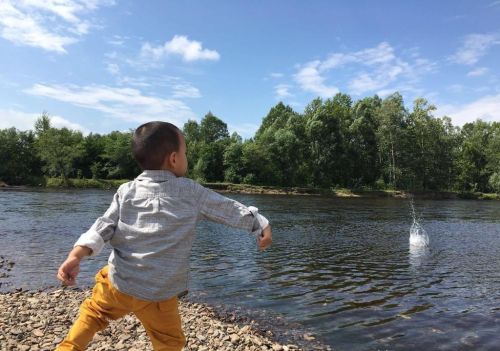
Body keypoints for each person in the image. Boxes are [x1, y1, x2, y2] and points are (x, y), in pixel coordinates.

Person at [55, 121, 272, 351]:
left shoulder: (126, 191)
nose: (186, 157)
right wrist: (260, 224)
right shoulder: (190, 192)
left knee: (93, 314)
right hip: (159, 295)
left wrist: (76, 255)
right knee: (170, 343)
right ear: (174, 159)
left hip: (119, 283)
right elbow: (227, 209)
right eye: (186, 152)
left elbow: (103, 226)